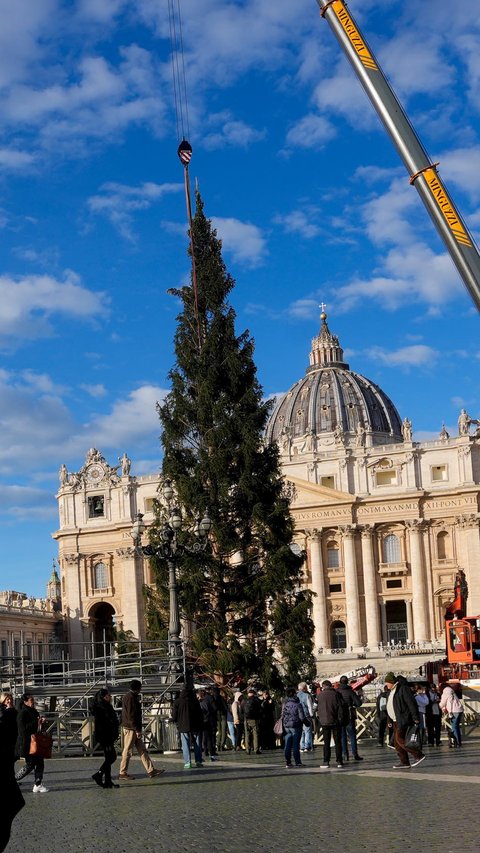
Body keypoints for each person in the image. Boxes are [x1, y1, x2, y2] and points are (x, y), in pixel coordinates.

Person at [118, 680, 164, 780]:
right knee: (128, 750)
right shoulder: (131, 698)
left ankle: (151, 770)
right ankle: (122, 772)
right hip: (131, 729)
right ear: (137, 688)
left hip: (132, 728)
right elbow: (131, 715)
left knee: (142, 750)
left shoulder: (128, 696)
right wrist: (136, 729)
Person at [384, 673, 425, 768]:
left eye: (387, 683)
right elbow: (390, 706)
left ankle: (418, 754)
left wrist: (415, 717)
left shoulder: (402, 689)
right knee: (396, 743)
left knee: (399, 739)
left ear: (391, 682)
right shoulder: (391, 692)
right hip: (394, 720)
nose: (386, 685)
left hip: (402, 719)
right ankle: (404, 761)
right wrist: (389, 720)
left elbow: (411, 703)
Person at [0, 693, 24, 853]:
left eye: (10, 698)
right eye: (6, 699)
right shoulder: (5, 714)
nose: (9, 700)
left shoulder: (13, 713)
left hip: (9, 752)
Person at [15, 693, 49, 792]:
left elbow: (36, 726)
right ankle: (16, 779)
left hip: (36, 741)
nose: (33, 702)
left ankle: (38, 784)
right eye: (31, 700)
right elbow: (22, 729)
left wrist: (41, 722)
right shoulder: (22, 712)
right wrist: (36, 722)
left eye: (33, 700)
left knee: (39, 762)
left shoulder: (34, 711)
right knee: (30, 764)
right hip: (26, 742)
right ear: (25, 701)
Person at [91, 688, 120, 788]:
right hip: (106, 736)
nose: (111, 697)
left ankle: (108, 781)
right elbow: (105, 723)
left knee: (108, 757)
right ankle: (98, 774)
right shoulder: (102, 707)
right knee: (112, 757)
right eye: (109, 695)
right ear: (104, 697)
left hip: (107, 736)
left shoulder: (105, 706)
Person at [172, 687, 203, 769]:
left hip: (183, 725)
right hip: (195, 725)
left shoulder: (177, 702)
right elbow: (200, 714)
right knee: (197, 744)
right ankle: (198, 760)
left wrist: (176, 721)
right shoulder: (195, 701)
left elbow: (174, 716)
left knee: (185, 744)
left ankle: (187, 762)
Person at [316, 680, 344, 769]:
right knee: (337, 742)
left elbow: (317, 708)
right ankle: (339, 761)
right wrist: (340, 718)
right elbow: (340, 707)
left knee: (326, 742)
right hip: (335, 720)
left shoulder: (320, 695)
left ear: (323, 686)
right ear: (330, 686)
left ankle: (326, 761)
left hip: (324, 721)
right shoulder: (336, 694)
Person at [337, 675, 363, 761]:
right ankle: (355, 754)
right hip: (349, 715)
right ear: (347, 682)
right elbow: (359, 703)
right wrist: (352, 706)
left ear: (340, 682)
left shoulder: (337, 692)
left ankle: (345, 754)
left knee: (342, 736)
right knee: (352, 735)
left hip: (340, 716)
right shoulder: (350, 691)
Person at [281, 687, 306, 768]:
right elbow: (302, 717)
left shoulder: (285, 703)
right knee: (295, 744)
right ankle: (298, 762)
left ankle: (287, 762)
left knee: (287, 744)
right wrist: (307, 723)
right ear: (294, 694)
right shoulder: (298, 704)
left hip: (286, 726)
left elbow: (282, 715)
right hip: (296, 725)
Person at [439, 680, 464, 747]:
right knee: (456, 727)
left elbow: (443, 701)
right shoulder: (451, 690)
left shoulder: (446, 691)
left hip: (454, 710)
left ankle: (456, 742)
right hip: (459, 709)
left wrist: (439, 706)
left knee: (454, 727)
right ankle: (458, 742)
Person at [198, 689, 218, 761]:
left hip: (201, 722)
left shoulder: (199, 702)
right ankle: (211, 754)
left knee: (202, 738)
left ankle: (204, 752)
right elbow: (214, 709)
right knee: (209, 738)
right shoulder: (207, 700)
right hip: (208, 721)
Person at [243, 688, 262, 754]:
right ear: (253, 694)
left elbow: (241, 710)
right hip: (254, 719)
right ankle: (256, 749)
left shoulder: (244, 700)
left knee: (247, 734)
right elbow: (260, 709)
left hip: (246, 719)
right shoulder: (256, 700)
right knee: (255, 734)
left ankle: (248, 750)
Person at [297, 682, 313, 753]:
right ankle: (307, 746)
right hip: (306, 715)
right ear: (304, 688)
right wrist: (311, 715)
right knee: (307, 731)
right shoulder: (307, 695)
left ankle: (301, 747)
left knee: (301, 732)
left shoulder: (295, 696)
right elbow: (310, 706)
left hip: (298, 716)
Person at [376, 683, 392, 747]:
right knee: (390, 728)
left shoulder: (380, 696)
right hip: (389, 714)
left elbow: (377, 706)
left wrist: (378, 714)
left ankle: (380, 742)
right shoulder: (390, 695)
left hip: (382, 714)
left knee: (381, 729)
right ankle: (390, 741)